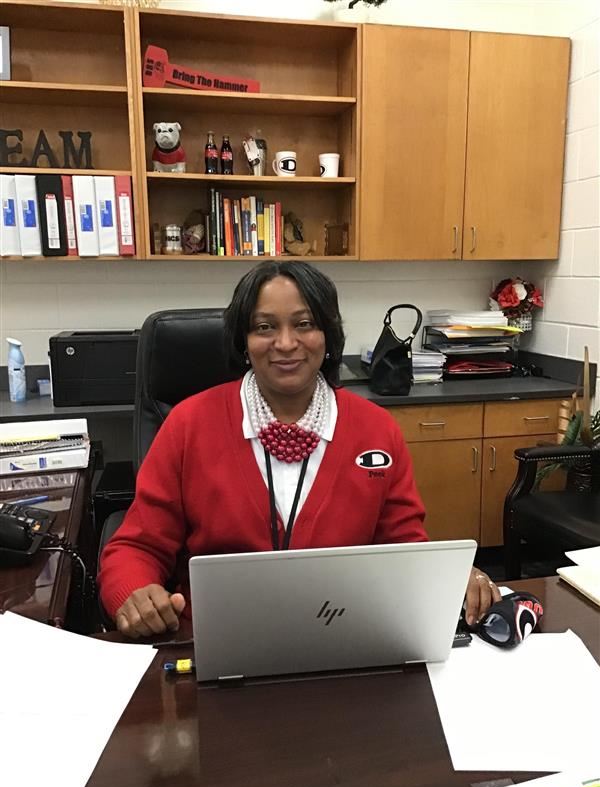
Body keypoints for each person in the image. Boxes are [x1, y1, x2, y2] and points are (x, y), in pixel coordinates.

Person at [98, 261, 500, 638]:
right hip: (215, 641)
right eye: (264, 327)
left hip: (348, 637)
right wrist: (133, 593)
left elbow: (403, 545)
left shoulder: (376, 429)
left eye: (304, 324)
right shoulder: (188, 425)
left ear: (327, 335)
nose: (286, 343)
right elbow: (136, 546)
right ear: (244, 340)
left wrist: (448, 575)